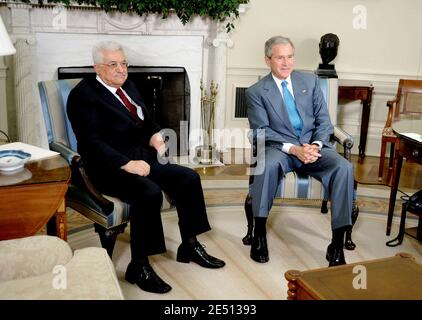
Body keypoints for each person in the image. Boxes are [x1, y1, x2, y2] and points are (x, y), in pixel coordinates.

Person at [67, 41, 225, 294]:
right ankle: (139, 265)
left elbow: (146, 120)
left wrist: (155, 136)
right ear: (97, 68)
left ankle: (190, 245)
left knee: (188, 178)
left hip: (142, 155)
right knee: (148, 193)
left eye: (124, 63)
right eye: (113, 64)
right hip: (106, 166)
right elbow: (90, 142)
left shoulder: (128, 85)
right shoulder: (83, 95)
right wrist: (126, 164)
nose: (121, 69)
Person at [245, 35, 356, 267]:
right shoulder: (256, 91)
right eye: (279, 58)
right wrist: (294, 149)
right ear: (268, 60)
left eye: (290, 57)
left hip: (311, 147)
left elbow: (325, 122)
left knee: (344, 167)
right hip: (281, 148)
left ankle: (336, 244)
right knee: (267, 166)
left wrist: (315, 146)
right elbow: (261, 131)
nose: (286, 63)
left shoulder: (310, 82)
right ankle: (260, 234)